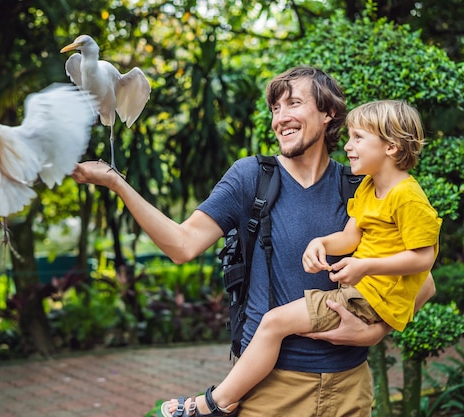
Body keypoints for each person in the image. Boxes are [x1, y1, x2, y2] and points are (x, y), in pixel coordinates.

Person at [71, 66, 436, 417]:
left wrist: (375, 330)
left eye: (294, 103)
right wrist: (117, 184)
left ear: (328, 113)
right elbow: (182, 245)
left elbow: (424, 281)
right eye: (275, 108)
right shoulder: (251, 177)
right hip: (271, 388)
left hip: (350, 387)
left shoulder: (360, 185)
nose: (280, 117)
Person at [158, 99, 442, 417]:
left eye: (358, 138)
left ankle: (214, 403)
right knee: (274, 324)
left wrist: (369, 288)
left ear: (390, 146)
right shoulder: (366, 188)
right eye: (275, 108)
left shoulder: (407, 196)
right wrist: (320, 242)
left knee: (275, 322)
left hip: (362, 314)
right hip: (287, 378)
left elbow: (424, 263)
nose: (349, 146)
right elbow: (351, 236)